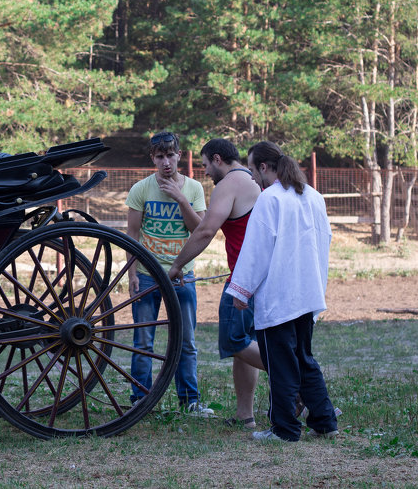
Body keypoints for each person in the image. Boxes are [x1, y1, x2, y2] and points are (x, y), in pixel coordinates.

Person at [225, 141, 340, 441]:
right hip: (307, 292)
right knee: (304, 359)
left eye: (251, 170)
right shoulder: (313, 196)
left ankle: (285, 429)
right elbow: (324, 242)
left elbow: (257, 249)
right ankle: (324, 422)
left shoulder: (270, 199)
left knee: (281, 365)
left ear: (264, 167)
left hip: (279, 296)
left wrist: (241, 290)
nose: (252, 177)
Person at [167, 138, 263, 429]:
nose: (205, 171)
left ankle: (295, 377)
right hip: (257, 275)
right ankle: (245, 416)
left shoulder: (229, 184)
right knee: (246, 344)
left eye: (206, 164)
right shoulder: (249, 180)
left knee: (233, 341)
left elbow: (206, 230)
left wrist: (177, 264)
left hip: (244, 279)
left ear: (218, 159)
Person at [126, 131, 210, 416]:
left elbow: (199, 230)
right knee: (143, 340)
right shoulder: (141, 189)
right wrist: (132, 274)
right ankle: (140, 400)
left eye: (170, 156)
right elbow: (133, 235)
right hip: (148, 273)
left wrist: (180, 199)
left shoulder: (194, 188)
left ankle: (190, 401)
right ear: (153, 158)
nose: (166, 162)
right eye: (159, 157)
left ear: (178, 155)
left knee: (185, 340)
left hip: (182, 274)